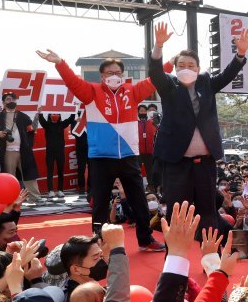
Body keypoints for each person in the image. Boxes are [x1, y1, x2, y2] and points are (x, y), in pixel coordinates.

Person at [36, 49, 164, 251]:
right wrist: (60, 62)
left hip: (129, 155)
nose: (114, 76)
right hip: (100, 157)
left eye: (117, 73)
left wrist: (171, 61)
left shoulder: (132, 91)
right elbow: (72, 81)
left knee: (139, 199)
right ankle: (98, 242)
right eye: (109, 73)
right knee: (100, 203)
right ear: (102, 75)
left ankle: (145, 239)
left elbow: (154, 79)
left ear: (122, 75)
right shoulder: (91, 92)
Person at [148, 22, 248, 240]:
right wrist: (158, 45)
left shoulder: (206, 82)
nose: (187, 68)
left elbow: (227, 75)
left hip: (205, 162)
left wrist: (240, 53)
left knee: (208, 212)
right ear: (176, 68)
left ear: (198, 67)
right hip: (177, 163)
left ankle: (210, 257)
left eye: (192, 65)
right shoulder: (168, 85)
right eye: (182, 65)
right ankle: (174, 259)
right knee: (178, 214)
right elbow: (155, 71)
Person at [0, 92, 42, 204]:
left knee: (29, 174)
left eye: (13, 99)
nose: (11, 101)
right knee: (9, 177)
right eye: (8, 99)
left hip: (23, 150)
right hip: (7, 152)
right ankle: (11, 199)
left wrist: (37, 116)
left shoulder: (22, 116)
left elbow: (33, 128)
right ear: (3, 102)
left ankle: (35, 197)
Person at [37, 108, 75, 197]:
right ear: (49, 115)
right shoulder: (46, 125)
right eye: (53, 114)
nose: (55, 115)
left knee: (60, 171)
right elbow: (41, 119)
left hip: (60, 151)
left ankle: (60, 190)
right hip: (50, 152)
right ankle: (50, 190)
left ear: (59, 115)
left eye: (57, 114)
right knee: (50, 172)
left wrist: (74, 110)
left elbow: (70, 119)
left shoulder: (62, 124)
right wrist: (40, 112)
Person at [137, 104, 158, 192]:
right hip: (138, 152)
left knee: (150, 172)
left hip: (149, 152)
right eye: (141, 111)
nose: (143, 112)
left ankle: (152, 188)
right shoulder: (135, 122)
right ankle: (138, 188)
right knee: (137, 171)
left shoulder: (151, 122)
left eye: (145, 111)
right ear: (138, 112)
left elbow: (156, 132)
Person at [68, 111, 88, 195]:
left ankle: (91, 186)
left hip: (91, 147)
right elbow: (73, 133)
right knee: (81, 167)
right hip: (80, 147)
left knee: (92, 166)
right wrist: (78, 123)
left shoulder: (89, 122)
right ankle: (81, 187)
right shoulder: (75, 122)